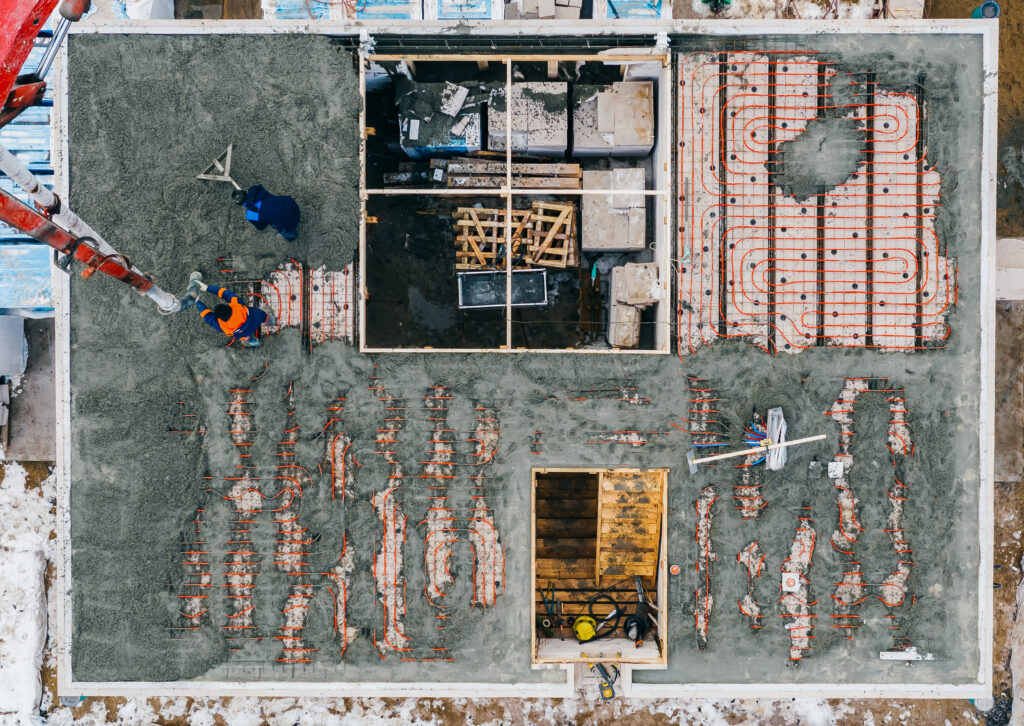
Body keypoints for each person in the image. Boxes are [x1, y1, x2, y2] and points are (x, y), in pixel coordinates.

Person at [187, 274, 268, 347]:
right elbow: (225, 293)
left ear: (220, 318)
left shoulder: (222, 326)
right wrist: (208, 288)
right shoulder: (236, 304)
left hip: (243, 333)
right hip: (256, 317)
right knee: (265, 317)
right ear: (228, 307)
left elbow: (208, 316)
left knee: (246, 337)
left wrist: (197, 301)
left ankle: (255, 342)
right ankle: (270, 319)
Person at [232, 185, 301, 241]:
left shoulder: (251, 214)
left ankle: (292, 236)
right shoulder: (258, 191)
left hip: (290, 223)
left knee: (284, 227)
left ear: (241, 204)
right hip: (294, 208)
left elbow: (261, 227)